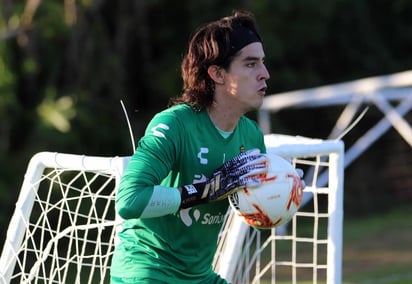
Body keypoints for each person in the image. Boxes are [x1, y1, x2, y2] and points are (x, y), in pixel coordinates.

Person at [110, 10, 271, 283]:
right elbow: (128, 201)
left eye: (263, 63)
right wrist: (205, 191)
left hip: (199, 276)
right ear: (217, 73)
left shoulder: (252, 136)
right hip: (147, 273)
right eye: (251, 64)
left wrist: (279, 192)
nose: (265, 74)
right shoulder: (175, 125)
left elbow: (252, 208)